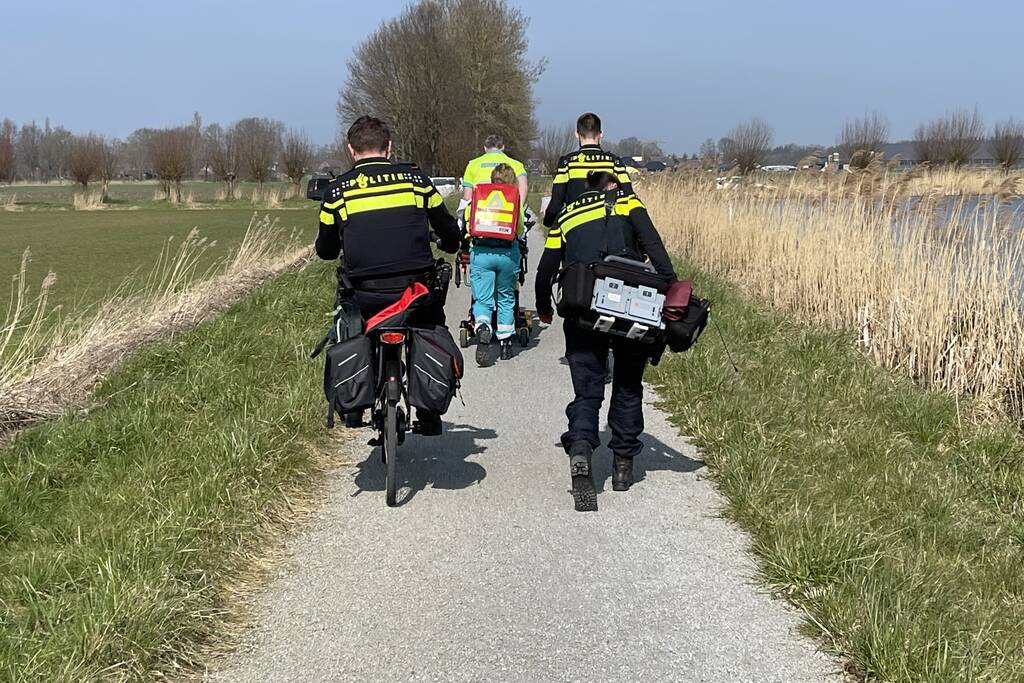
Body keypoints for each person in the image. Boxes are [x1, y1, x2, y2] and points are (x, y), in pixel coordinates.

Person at [535, 171, 676, 512]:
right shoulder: (628, 203)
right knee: (628, 385)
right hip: (632, 310)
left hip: (583, 310)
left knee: (587, 390)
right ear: (612, 185)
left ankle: (581, 447)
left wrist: (543, 308)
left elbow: (546, 269)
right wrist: (669, 288)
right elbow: (654, 246)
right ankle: (623, 467)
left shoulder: (567, 215)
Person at [315, 115, 461, 435]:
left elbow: (325, 250)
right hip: (414, 291)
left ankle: (353, 406)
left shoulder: (337, 191)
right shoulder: (416, 182)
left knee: (352, 324)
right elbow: (447, 229)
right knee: (431, 322)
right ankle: (428, 409)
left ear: (351, 150)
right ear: (389, 147)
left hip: (366, 293)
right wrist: (451, 244)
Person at [459, 135, 530, 364]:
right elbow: (519, 228)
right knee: (507, 297)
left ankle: (482, 328)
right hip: (507, 254)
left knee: (482, 298)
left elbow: (467, 219)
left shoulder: (477, 185)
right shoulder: (513, 196)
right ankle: (507, 342)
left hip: (481, 252)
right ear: (503, 146)